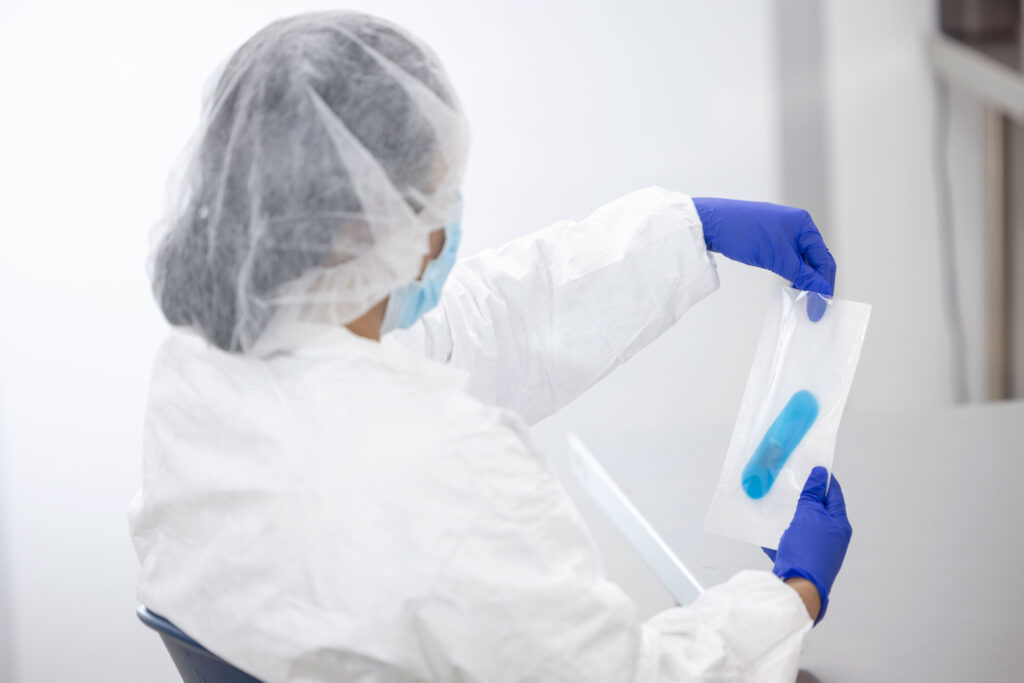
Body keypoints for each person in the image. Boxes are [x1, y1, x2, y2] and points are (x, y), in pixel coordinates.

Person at [129, 11, 851, 683]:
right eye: (435, 203)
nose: (445, 231)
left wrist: (689, 230)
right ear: (354, 230)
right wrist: (792, 597)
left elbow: (472, 331)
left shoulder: (198, 383)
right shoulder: (443, 467)